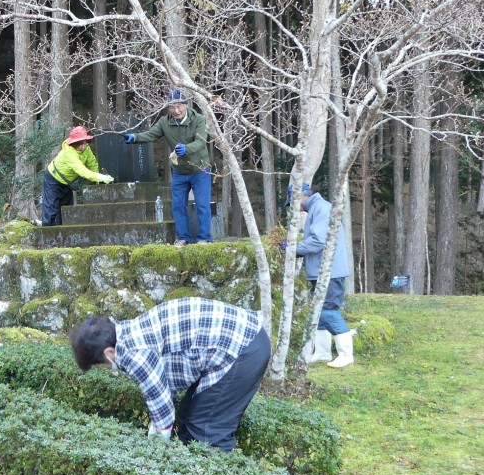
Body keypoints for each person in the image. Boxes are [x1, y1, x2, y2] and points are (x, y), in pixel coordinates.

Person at [70, 297, 270, 451]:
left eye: (101, 365)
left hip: (242, 348)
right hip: (239, 340)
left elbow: (163, 409)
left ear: (109, 353)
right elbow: (166, 389)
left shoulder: (135, 355)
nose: (106, 368)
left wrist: (153, 452)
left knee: (207, 431)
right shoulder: (128, 332)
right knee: (188, 416)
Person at [122, 89, 211, 246]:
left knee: (202, 204)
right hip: (179, 170)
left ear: (186, 105)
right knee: (177, 205)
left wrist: (187, 148)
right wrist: (134, 138)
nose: (176, 111)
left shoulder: (198, 119)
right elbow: (151, 135)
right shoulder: (165, 122)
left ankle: (204, 238)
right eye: (172, 107)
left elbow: (201, 141)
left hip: (200, 168)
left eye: (179, 107)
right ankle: (183, 237)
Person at [284, 182, 354, 368]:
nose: (294, 208)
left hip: (329, 271)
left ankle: (346, 354)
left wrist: (293, 250)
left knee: (328, 309)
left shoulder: (321, 209)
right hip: (321, 271)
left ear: (300, 197)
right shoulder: (317, 209)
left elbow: (318, 241)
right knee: (319, 311)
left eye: (292, 203)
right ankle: (322, 352)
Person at [41, 126, 113, 226]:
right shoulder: (69, 153)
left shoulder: (86, 149)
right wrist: (99, 177)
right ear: (75, 143)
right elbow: (81, 170)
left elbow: (92, 162)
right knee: (52, 210)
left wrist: (97, 179)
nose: (85, 145)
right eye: (81, 143)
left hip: (67, 183)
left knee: (66, 210)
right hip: (53, 180)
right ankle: (48, 235)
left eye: (85, 142)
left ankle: (65, 234)